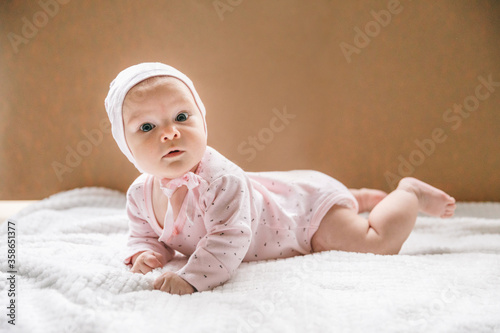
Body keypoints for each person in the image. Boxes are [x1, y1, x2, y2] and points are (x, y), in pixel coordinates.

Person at [104, 62, 456, 295]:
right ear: (124, 143)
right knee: (298, 193)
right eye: (147, 126)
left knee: (372, 241)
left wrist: (189, 278)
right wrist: (146, 253)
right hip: (284, 193)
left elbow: (228, 239)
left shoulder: (222, 181)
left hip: (303, 221)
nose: (169, 133)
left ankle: (409, 193)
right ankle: (357, 197)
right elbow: (146, 234)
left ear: (202, 120)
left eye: (182, 116)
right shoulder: (139, 195)